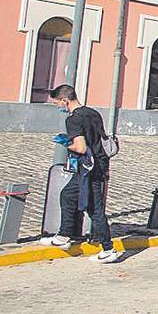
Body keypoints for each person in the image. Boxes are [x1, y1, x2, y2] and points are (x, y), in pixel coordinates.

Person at [42, 84, 119, 263]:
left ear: (65, 100)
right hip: (99, 164)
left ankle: (108, 249)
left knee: (94, 209)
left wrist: (64, 143)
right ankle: (64, 235)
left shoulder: (73, 119)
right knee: (68, 195)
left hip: (88, 168)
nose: (58, 107)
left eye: (58, 103)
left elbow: (81, 147)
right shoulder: (93, 113)